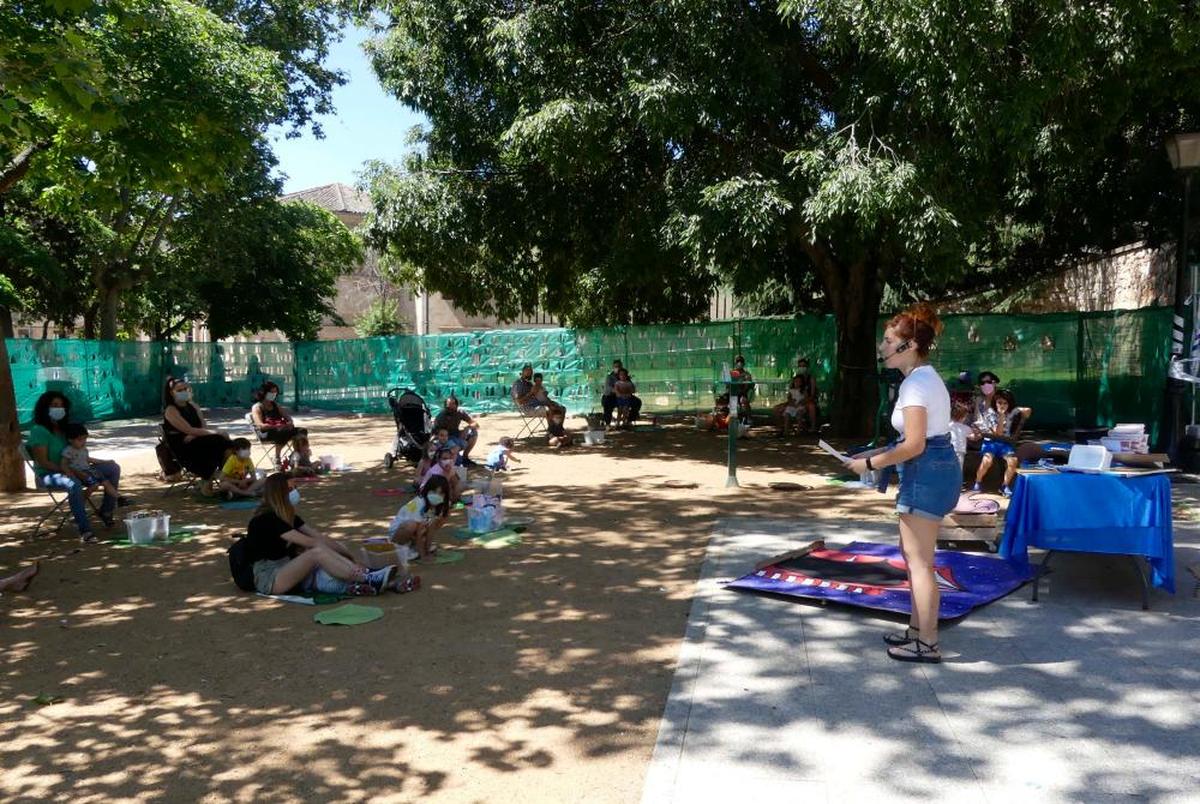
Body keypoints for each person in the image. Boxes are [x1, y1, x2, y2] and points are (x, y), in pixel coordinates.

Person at [846, 303, 958, 664]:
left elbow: (914, 444)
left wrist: (868, 463)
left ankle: (927, 642)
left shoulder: (915, 385)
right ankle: (916, 630)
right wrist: (878, 452)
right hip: (934, 468)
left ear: (907, 345)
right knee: (914, 558)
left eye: (888, 339)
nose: (882, 346)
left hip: (926, 472)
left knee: (920, 562)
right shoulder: (925, 378)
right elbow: (919, 438)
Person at [227, 473, 409, 596]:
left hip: (287, 567)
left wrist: (347, 553)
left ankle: (373, 581)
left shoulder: (289, 517)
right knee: (316, 553)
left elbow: (319, 537)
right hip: (268, 577)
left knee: (328, 564)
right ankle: (366, 577)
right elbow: (311, 542)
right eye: (290, 489)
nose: (295, 492)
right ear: (280, 494)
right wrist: (347, 557)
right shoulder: (266, 520)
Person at [26, 391, 122, 542]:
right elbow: (44, 462)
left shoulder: (65, 429)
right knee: (74, 483)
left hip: (77, 470)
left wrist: (101, 462)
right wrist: (71, 471)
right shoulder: (39, 430)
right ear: (44, 408)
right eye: (54, 405)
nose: (59, 409)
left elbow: (78, 455)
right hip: (49, 474)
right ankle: (84, 530)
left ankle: (106, 511)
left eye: (62, 406)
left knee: (113, 468)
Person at [162, 376, 234, 488]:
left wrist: (197, 433)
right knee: (217, 439)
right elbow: (187, 429)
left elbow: (203, 426)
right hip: (183, 446)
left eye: (186, 389)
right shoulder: (171, 410)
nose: (184, 392)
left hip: (197, 438)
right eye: (179, 390)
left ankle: (226, 475)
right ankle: (208, 478)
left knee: (225, 442)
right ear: (172, 393)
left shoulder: (193, 406)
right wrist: (214, 432)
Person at [972, 389, 1032, 497]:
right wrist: (1001, 416)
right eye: (999, 402)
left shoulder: (1012, 412)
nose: (1002, 405)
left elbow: (1028, 410)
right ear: (995, 402)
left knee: (1013, 461)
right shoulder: (990, 413)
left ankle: (1004, 485)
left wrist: (1017, 410)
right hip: (991, 442)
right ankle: (978, 481)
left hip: (1005, 444)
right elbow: (998, 433)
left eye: (1005, 403)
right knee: (987, 460)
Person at [387, 474, 451, 561]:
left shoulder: (437, 507)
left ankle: (414, 547)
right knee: (411, 525)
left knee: (434, 521)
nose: (437, 495)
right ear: (427, 490)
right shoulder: (419, 503)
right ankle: (399, 548)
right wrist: (423, 555)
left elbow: (431, 529)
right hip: (398, 533)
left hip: (414, 533)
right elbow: (419, 531)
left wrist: (427, 551)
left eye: (440, 493)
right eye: (434, 492)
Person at [61, 423, 120, 501]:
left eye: (85, 439)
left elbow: (88, 459)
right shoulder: (68, 451)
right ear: (70, 440)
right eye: (80, 440)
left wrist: (104, 461)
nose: (83, 442)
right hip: (80, 473)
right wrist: (69, 473)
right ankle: (80, 500)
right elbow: (64, 464)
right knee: (95, 485)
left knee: (106, 482)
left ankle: (119, 498)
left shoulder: (83, 449)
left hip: (90, 470)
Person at [250, 381, 301, 469]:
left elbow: (288, 417)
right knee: (282, 431)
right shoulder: (257, 407)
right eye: (271, 392)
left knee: (301, 431)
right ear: (264, 393)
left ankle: (297, 456)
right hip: (266, 432)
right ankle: (277, 457)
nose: (274, 394)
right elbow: (260, 425)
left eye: (275, 392)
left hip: (281, 430)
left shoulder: (276, 405)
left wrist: (289, 423)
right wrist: (277, 426)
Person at [774, 358, 818, 435]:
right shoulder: (794, 379)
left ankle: (812, 427)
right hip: (793, 402)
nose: (802, 368)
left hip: (806, 401)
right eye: (800, 366)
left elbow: (812, 395)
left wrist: (803, 401)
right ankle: (783, 427)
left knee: (811, 407)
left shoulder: (811, 378)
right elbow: (790, 394)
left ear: (807, 367)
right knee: (777, 408)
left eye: (803, 366)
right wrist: (791, 402)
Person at [433, 396, 481, 466]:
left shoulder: (460, 412)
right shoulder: (441, 416)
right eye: (448, 404)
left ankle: (465, 457)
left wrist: (467, 428)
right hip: (445, 438)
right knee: (455, 449)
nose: (450, 406)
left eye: (453, 404)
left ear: (456, 405)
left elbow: (476, 424)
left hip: (456, 434)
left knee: (473, 432)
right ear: (445, 406)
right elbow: (435, 432)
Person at [601, 360, 643, 425]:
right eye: (616, 366)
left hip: (625, 396)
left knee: (637, 402)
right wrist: (618, 391)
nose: (617, 368)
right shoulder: (609, 377)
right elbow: (608, 389)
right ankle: (607, 423)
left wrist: (627, 392)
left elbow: (631, 388)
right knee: (607, 403)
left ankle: (629, 420)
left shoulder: (626, 377)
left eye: (619, 366)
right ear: (613, 367)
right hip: (612, 397)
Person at [967, 371, 1000, 446]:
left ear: (994, 383)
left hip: (993, 435)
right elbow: (976, 419)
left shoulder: (1001, 401)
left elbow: (1000, 423)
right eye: (982, 383)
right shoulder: (979, 400)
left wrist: (982, 433)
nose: (985, 385)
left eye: (988, 382)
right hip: (978, 432)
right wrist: (976, 430)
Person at [949, 400, 974, 469]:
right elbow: (972, 437)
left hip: (948, 449)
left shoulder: (947, 426)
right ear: (963, 417)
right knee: (958, 468)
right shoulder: (966, 428)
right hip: (959, 451)